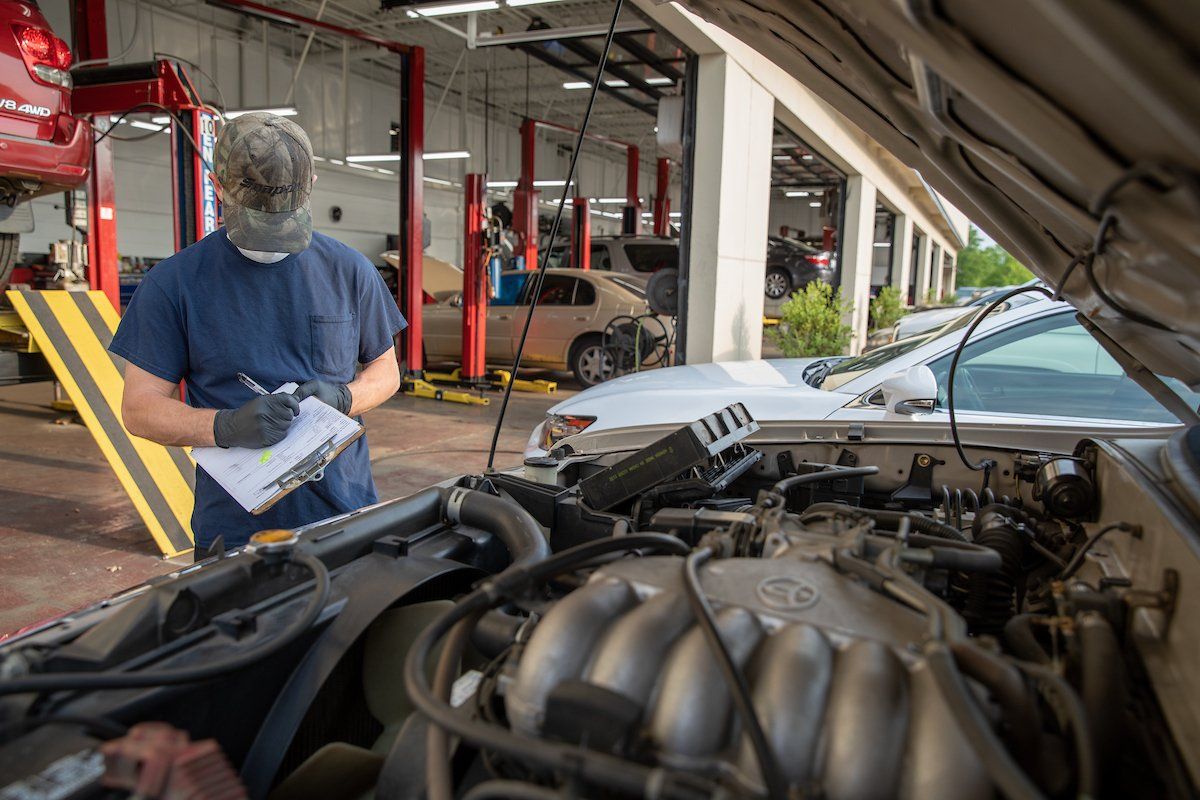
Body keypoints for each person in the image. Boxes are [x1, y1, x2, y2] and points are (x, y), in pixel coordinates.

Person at [110, 112, 405, 555]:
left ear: (311, 185)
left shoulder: (350, 270)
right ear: (217, 185)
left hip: (346, 515)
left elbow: (386, 372)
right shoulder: (174, 284)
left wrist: (345, 398)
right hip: (235, 530)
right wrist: (225, 425)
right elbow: (139, 408)